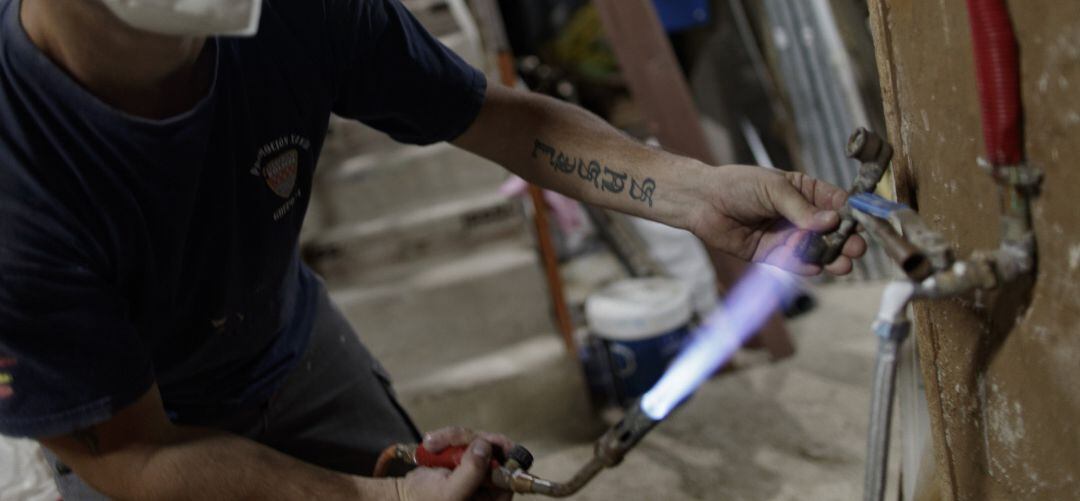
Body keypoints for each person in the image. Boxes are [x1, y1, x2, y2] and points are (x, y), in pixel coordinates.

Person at [0, 0, 866, 499]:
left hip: (285, 342)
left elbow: (497, 119)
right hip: (131, 420)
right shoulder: (16, 178)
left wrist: (695, 192)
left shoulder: (293, 14)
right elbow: (131, 453)